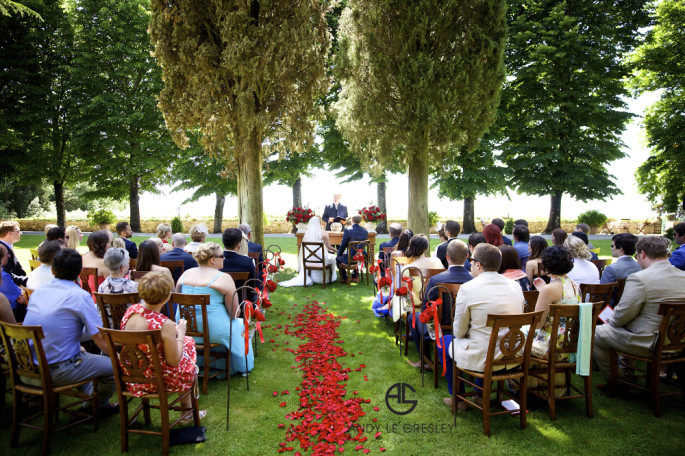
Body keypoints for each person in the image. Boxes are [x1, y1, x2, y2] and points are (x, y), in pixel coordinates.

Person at [22, 248, 117, 413]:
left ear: (52, 269)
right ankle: (96, 406)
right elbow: (99, 337)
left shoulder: (37, 293)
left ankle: (89, 398)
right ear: (79, 272)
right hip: (56, 371)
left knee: (83, 354)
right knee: (113, 367)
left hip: (26, 369)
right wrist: (119, 358)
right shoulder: (79, 296)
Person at [444, 243, 524, 408]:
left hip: (484, 358)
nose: (470, 264)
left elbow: (458, 332)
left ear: (478, 264)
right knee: (484, 340)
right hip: (512, 355)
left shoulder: (467, 289)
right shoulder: (516, 286)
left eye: (471, 260)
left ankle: (458, 398)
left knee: (445, 342)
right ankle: (479, 393)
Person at [593, 236, 685, 380]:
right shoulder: (683, 276)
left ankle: (617, 379)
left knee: (595, 333)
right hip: (680, 343)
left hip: (648, 343)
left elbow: (621, 316)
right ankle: (626, 372)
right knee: (626, 327)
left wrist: (612, 320)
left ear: (642, 254)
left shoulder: (640, 278)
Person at [121, 271, 204, 420]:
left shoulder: (131, 311)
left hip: (131, 375)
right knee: (188, 346)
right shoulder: (163, 324)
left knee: (186, 345)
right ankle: (187, 410)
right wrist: (181, 332)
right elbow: (174, 361)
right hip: (157, 380)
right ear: (166, 297)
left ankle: (188, 409)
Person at [177, 242, 253, 376]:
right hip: (213, 332)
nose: (224, 258)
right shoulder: (223, 278)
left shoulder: (185, 275)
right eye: (222, 256)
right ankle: (243, 368)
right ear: (213, 260)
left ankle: (198, 363)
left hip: (184, 329)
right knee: (241, 324)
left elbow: (178, 297)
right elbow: (234, 313)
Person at [408, 240, 473, 371]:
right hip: (468, 329)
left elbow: (426, 309)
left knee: (413, 318)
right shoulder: (474, 280)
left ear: (447, 257)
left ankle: (425, 359)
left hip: (440, 329)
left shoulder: (436, 280)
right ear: (467, 256)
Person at [530, 246, 581, 358]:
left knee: (512, 336)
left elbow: (537, 324)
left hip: (551, 344)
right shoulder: (574, 284)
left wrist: (544, 291)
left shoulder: (550, 289)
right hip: (569, 341)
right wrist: (544, 290)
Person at [280, 216, 337, 287]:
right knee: (333, 258)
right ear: (319, 223)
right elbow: (329, 247)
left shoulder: (308, 234)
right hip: (322, 258)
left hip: (310, 259)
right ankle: (330, 278)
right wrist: (337, 250)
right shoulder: (323, 233)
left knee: (329, 257)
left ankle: (314, 278)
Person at [600, 233, 640, 307]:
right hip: (635, 306)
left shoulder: (611, 269)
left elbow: (602, 294)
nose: (611, 248)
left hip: (612, 309)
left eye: (612, 246)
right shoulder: (640, 267)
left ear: (621, 249)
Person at [336, 215, 369, 284]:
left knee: (338, 259)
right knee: (357, 254)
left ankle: (345, 278)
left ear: (352, 220)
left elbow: (343, 245)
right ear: (360, 221)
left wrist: (339, 254)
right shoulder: (365, 231)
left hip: (351, 257)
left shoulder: (348, 230)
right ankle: (354, 276)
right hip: (362, 256)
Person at [0, 243, 26, 322]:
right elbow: (20, 297)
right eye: (6, 254)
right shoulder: (3, 276)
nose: (9, 256)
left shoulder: (4, 274)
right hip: (15, 312)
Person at [0, 220, 27, 286]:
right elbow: (5, 275)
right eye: (18, 231)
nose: (21, 233)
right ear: (10, 234)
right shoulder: (2, 250)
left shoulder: (7, 247)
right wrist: (26, 281)